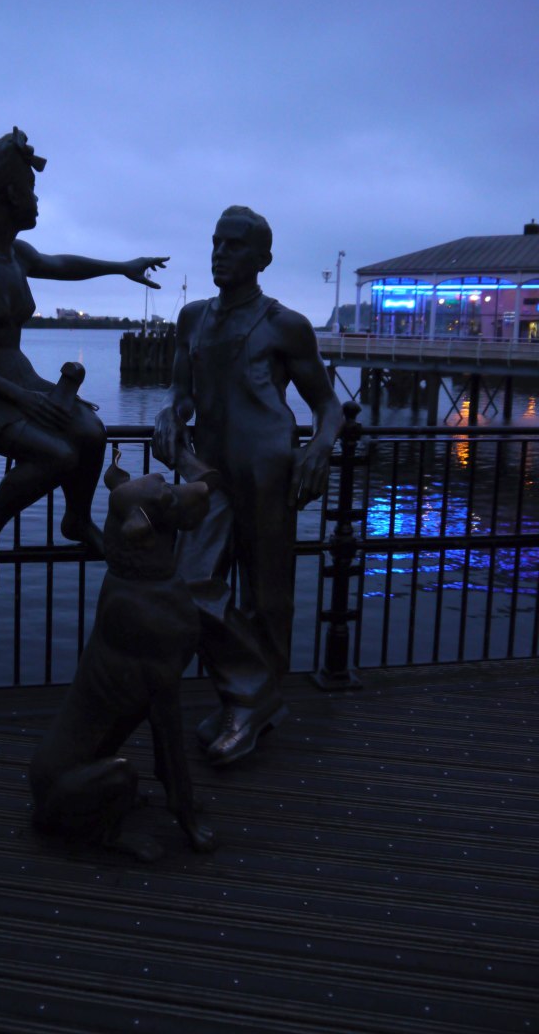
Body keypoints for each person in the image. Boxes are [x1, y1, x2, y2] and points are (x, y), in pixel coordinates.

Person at [152, 206, 343, 766]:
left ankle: (248, 706)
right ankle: (254, 696)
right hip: (209, 472)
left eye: (233, 246)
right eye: (216, 243)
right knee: (188, 585)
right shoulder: (192, 318)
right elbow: (182, 392)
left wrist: (320, 447)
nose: (220, 254)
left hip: (267, 469)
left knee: (268, 598)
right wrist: (169, 413)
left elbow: (327, 404)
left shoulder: (285, 324)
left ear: (263, 259)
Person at [0, 127, 167, 590]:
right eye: (31, 188)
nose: (37, 199)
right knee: (57, 455)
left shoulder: (16, 254)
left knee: (92, 432)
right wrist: (22, 398)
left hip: (17, 374)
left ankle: (76, 520)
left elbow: (61, 264)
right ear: (10, 194)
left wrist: (121, 267)